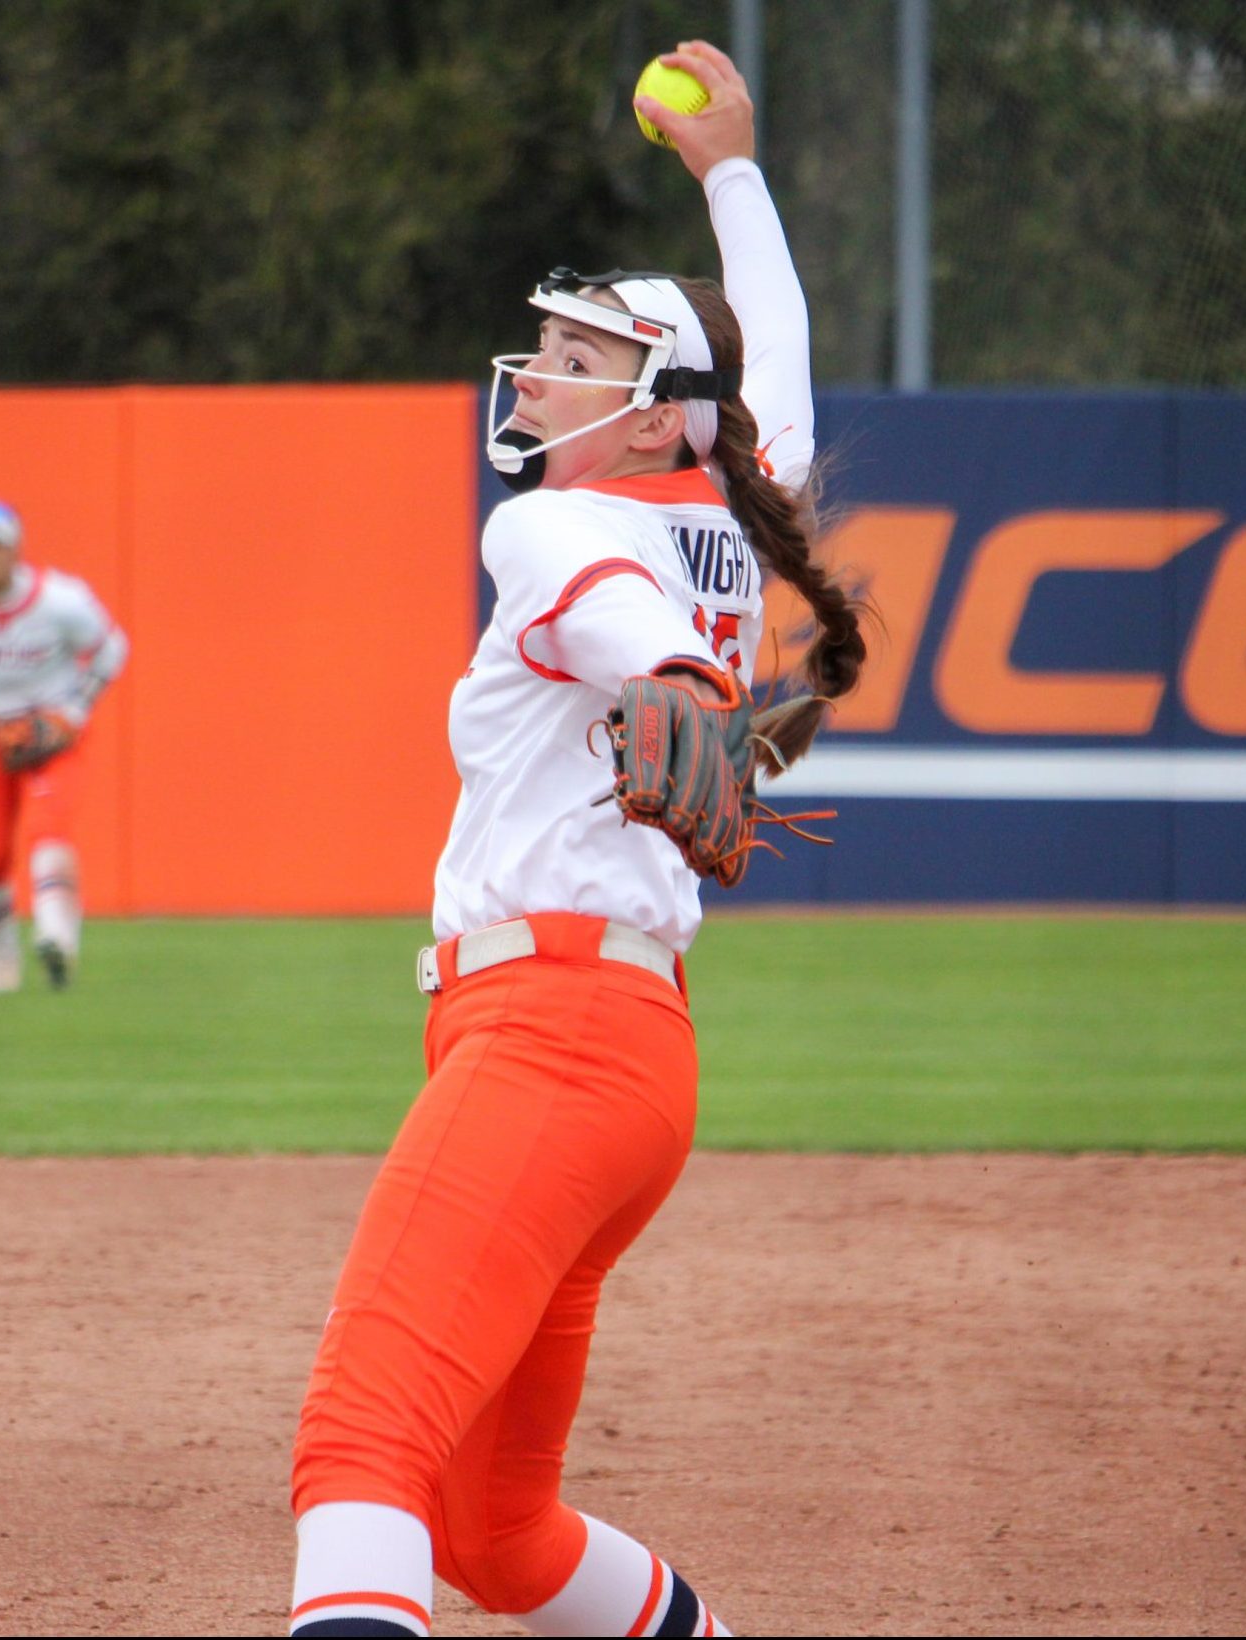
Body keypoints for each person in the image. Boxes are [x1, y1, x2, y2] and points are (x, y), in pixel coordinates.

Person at [285, 43, 865, 1638]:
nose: (533, 375)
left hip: (547, 1041)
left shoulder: (551, 521)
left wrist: (674, 677)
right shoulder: (741, 507)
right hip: (618, 1057)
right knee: (493, 1532)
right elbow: (781, 358)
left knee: (360, 1445)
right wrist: (729, 171)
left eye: (570, 357)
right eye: (544, 346)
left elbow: (612, 622)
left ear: (658, 417)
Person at [0, 500, 127, 993]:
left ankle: (57, 937)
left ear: (16, 549)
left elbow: (113, 647)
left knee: (48, 829)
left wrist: (73, 712)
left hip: (50, 730)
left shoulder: (60, 601)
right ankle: (0, 947)